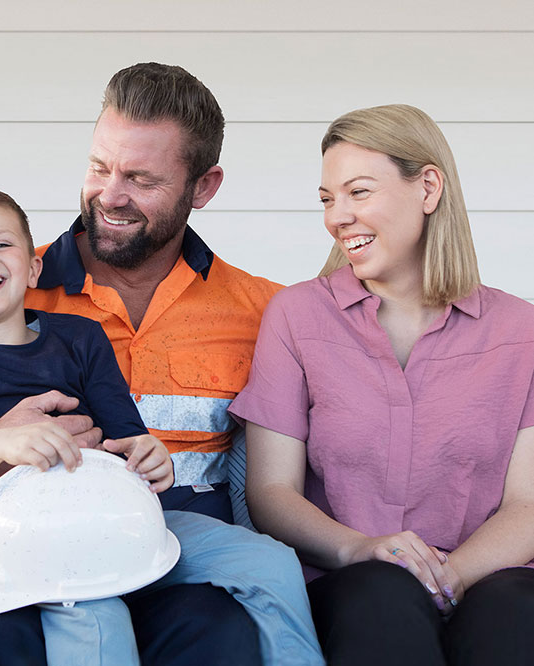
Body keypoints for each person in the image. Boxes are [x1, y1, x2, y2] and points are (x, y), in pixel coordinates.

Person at [0, 63, 323, 665]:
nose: (110, 195)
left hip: (173, 556)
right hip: (28, 545)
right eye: (99, 168)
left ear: (203, 187)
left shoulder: (263, 310)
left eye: (141, 178)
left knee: (219, 632)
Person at [0, 182, 323, 666]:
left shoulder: (80, 337)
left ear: (33, 265)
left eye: (1, 244)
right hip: (19, 533)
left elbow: (126, 429)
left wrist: (148, 454)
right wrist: (3, 442)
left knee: (268, 562)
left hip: (122, 516)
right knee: (96, 620)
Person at [228, 103, 534, 665]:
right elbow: (272, 493)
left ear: (428, 188)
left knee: (516, 614)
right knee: (382, 596)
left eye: (358, 192)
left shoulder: (523, 331)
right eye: (326, 199)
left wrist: (450, 575)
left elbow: (528, 505)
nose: (336, 216)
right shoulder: (297, 316)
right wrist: (361, 549)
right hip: (350, 581)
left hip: (493, 578)